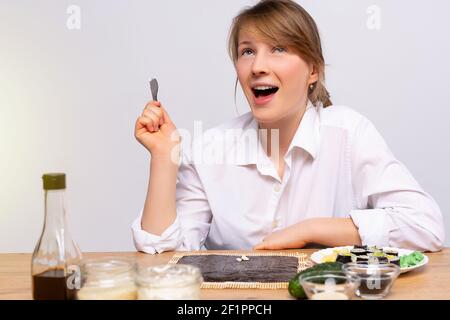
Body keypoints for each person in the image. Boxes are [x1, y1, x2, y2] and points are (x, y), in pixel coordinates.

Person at [132, 0, 445, 254]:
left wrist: (310, 229)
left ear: (313, 70)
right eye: (247, 51)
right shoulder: (208, 149)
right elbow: (164, 259)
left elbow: (425, 226)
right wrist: (164, 157)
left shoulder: (350, 133)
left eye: (278, 49)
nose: (257, 66)